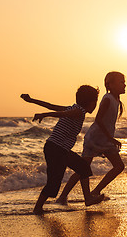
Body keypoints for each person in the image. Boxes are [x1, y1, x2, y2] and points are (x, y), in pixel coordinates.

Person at [21, 85, 104, 215]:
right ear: (91, 102)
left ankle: (88, 198)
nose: (95, 106)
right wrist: (45, 114)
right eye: (95, 102)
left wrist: (32, 100)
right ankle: (37, 208)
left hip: (60, 149)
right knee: (53, 183)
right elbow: (61, 113)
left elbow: (50, 105)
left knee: (83, 167)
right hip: (56, 149)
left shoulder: (74, 108)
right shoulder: (78, 111)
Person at [56, 71, 126, 205]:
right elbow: (98, 119)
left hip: (104, 139)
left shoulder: (116, 100)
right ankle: (64, 197)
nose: (124, 84)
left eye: (124, 82)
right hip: (95, 139)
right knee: (83, 168)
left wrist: (109, 138)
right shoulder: (107, 98)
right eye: (121, 82)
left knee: (118, 166)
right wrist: (111, 139)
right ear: (109, 85)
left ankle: (93, 192)